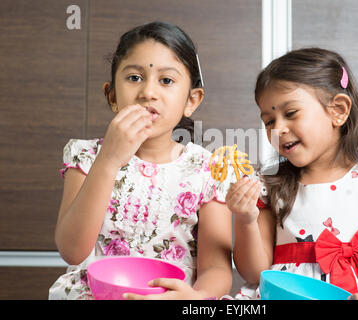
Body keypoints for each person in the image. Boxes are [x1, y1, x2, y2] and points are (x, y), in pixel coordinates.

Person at [49, 21, 233, 300]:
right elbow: (72, 250)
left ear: (191, 100)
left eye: (166, 81)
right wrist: (109, 160)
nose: (148, 92)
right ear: (112, 95)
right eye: (134, 78)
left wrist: (193, 298)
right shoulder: (87, 157)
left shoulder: (208, 170)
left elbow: (216, 269)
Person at [226, 48, 358, 300]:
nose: (278, 129)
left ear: (338, 110)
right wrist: (245, 219)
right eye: (269, 121)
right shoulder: (270, 185)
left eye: (290, 113)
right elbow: (254, 273)